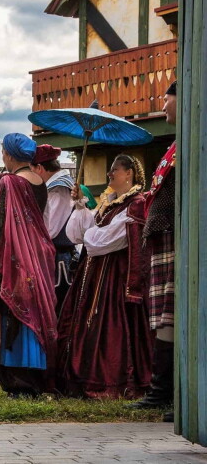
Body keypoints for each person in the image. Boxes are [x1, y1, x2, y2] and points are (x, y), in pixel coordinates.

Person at [57, 154, 152, 399]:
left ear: (129, 173)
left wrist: (91, 233)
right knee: (91, 322)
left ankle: (115, 381)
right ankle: (85, 376)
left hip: (116, 278)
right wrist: (80, 205)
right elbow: (79, 234)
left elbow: (106, 241)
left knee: (112, 325)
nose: (110, 175)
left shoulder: (136, 203)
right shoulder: (111, 202)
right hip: (97, 274)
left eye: (114, 170)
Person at [0, 132, 57, 396]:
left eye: (2, 153)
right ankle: (36, 376)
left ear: (8, 155)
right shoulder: (41, 182)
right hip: (39, 257)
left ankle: (16, 381)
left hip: (12, 259)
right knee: (36, 313)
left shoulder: (7, 183)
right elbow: (46, 221)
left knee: (9, 312)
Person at [128, 81, 177, 417]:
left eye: (167, 98)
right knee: (165, 319)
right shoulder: (176, 144)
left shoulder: (193, 141)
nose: (163, 105)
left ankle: (172, 394)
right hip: (164, 239)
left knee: (174, 318)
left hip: (178, 237)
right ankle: (162, 392)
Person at [30, 144, 77, 316]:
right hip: (56, 257)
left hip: (59, 261)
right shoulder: (56, 186)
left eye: (31, 170)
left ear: (40, 168)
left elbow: (50, 230)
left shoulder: (59, 188)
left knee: (57, 313)